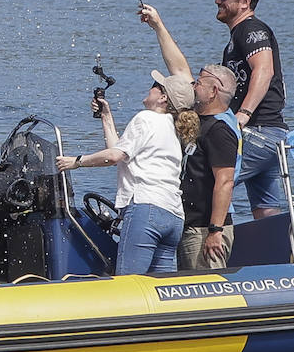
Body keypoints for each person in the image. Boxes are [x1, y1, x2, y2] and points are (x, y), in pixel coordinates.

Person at [56, 73, 193, 274]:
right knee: (162, 288)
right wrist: (106, 116)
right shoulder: (173, 127)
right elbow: (119, 151)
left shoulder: (146, 118)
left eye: (156, 86)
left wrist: (77, 161)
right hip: (173, 216)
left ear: (163, 97)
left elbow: (113, 157)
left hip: (146, 210)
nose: (151, 88)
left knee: (129, 282)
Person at [139, 3, 241, 269]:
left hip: (206, 229)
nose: (193, 84)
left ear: (213, 91)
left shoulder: (220, 129)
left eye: (199, 82)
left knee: (206, 292)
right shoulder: (199, 118)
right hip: (188, 225)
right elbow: (179, 71)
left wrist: (215, 230)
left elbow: (225, 182)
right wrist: (158, 25)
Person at [211, 0, 287, 220]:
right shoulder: (236, 37)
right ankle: (275, 255)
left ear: (245, 2)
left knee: (211, 183)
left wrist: (242, 115)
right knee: (266, 210)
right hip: (270, 135)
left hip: (258, 132)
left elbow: (264, 70)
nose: (217, 0)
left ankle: (213, 245)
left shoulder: (251, 30)